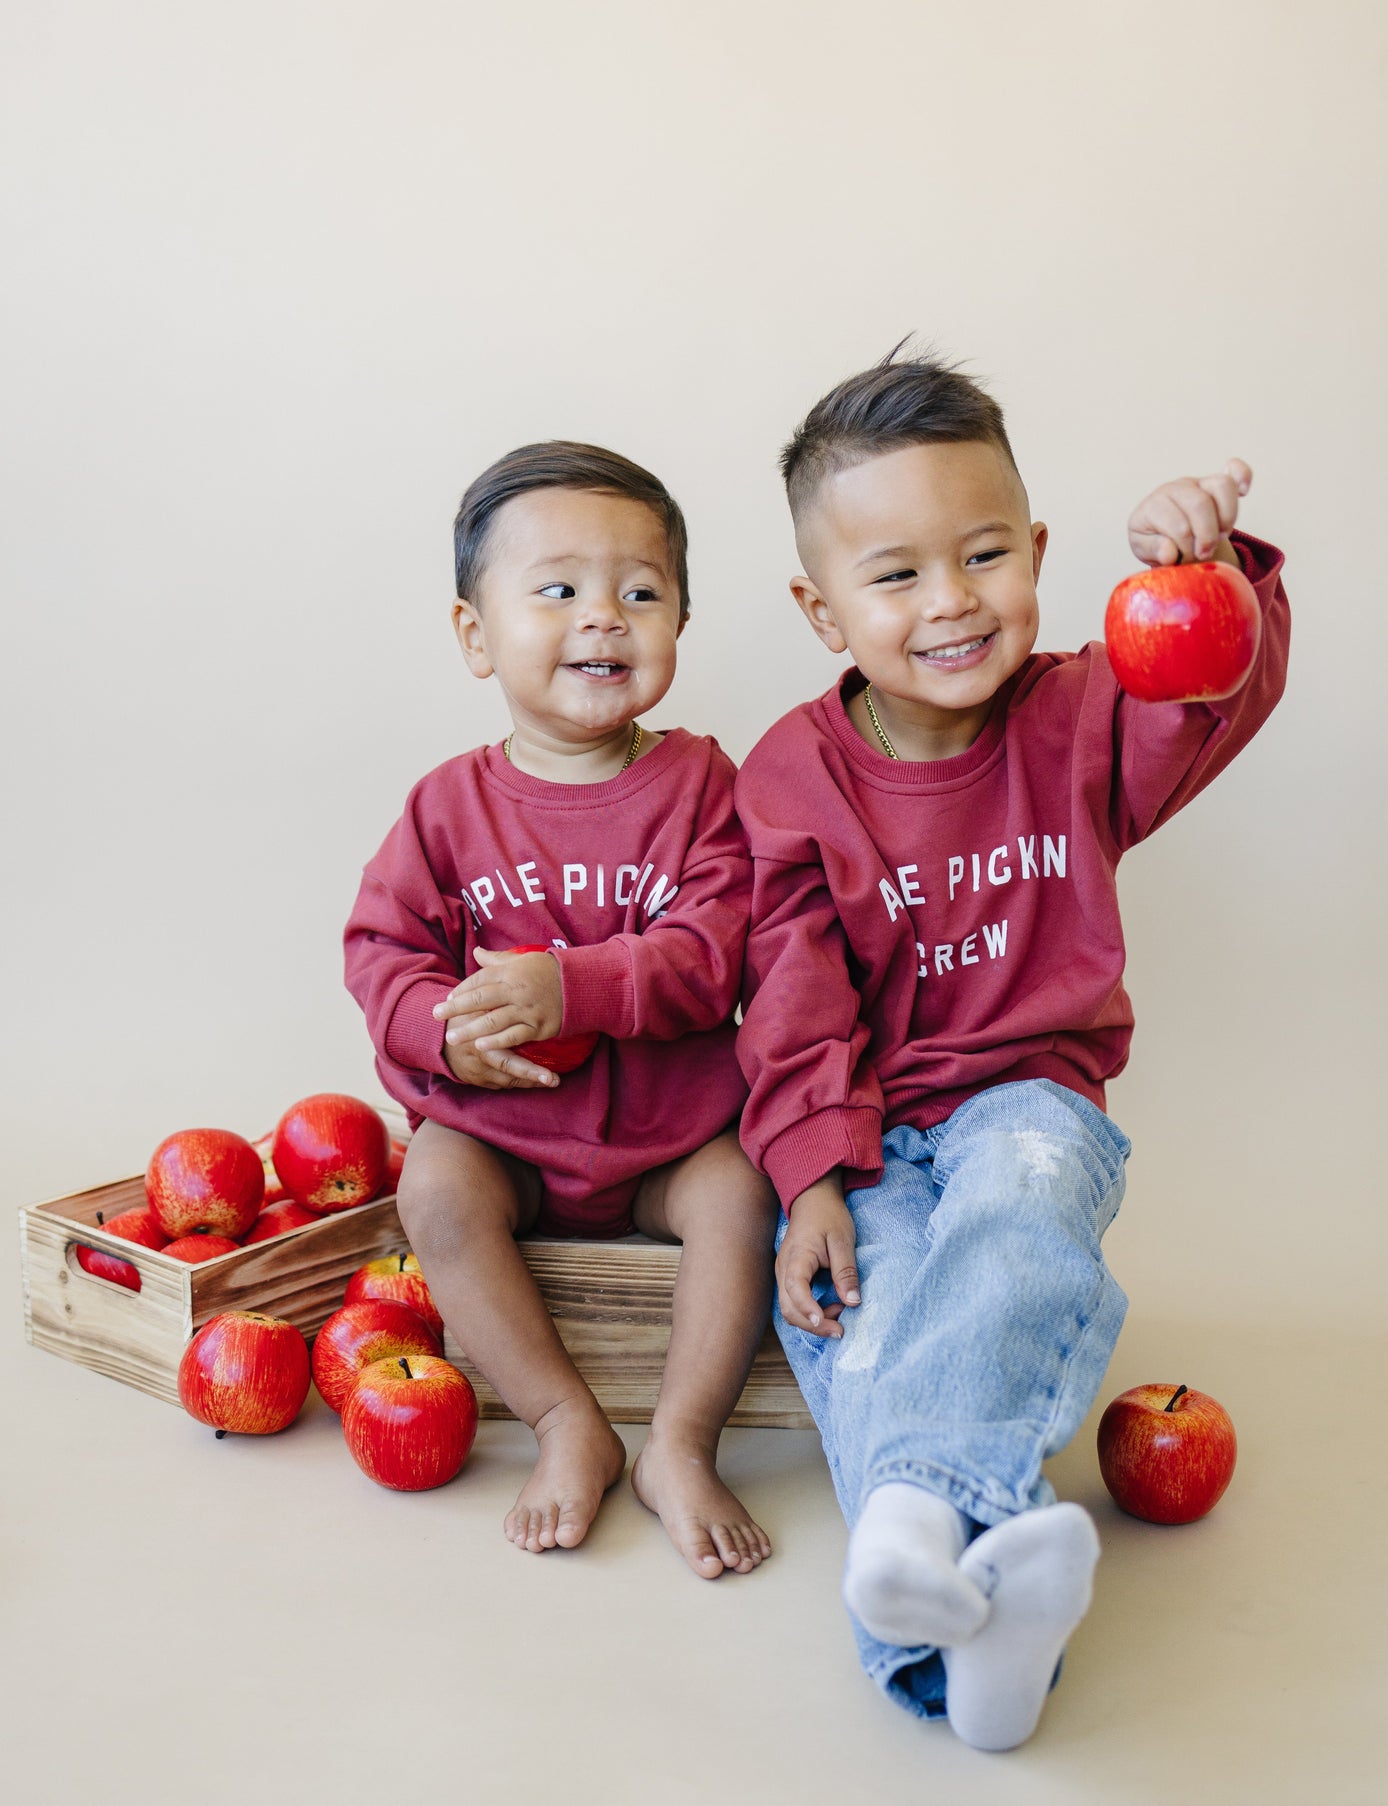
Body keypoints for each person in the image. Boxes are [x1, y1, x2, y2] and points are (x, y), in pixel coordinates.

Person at [734, 351, 1289, 1745]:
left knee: (1025, 1202)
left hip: (1025, 1096)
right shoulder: (790, 777)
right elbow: (789, 994)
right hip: (861, 1133)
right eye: (898, 574)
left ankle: (914, 1524)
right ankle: (983, 1666)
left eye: (984, 554)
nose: (951, 600)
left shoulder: (1080, 716)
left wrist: (1210, 567)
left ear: (1036, 551)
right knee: (868, 1327)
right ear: (820, 608)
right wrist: (807, 1177)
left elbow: (1208, 686)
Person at [344, 441, 777, 1579]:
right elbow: (381, 954)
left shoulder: (701, 787)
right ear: (475, 635)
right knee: (432, 1187)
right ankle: (560, 1418)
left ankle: (679, 1441)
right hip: (512, 1142)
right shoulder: (445, 808)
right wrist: (442, 1031)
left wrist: (567, 983)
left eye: (640, 592)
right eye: (558, 590)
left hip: (662, 1144)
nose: (604, 617)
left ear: (679, 623)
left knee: (740, 1191)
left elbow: (711, 953)